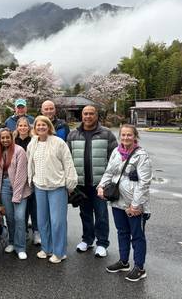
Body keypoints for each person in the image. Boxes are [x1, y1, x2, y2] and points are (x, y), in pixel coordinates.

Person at [97, 124, 152, 282]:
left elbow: (144, 183)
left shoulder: (141, 155)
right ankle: (123, 261)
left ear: (135, 137)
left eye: (129, 135)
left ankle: (140, 267)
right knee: (122, 232)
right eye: (123, 135)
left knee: (137, 236)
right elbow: (109, 172)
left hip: (135, 204)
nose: (126, 138)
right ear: (120, 136)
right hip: (117, 201)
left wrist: (135, 205)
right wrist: (101, 186)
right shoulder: (116, 152)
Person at [67, 105, 118, 258]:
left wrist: (109, 181)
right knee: (85, 213)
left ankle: (102, 243)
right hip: (81, 183)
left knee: (101, 214)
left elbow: (114, 159)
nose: (88, 116)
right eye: (85, 114)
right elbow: (68, 159)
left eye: (91, 114)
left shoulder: (107, 134)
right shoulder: (73, 135)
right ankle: (87, 240)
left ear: (96, 116)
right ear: (81, 116)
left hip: (99, 184)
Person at [27, 115, 77, 263]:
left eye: (44, 125)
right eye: (38, 125)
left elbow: (68, 163)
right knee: (42, 220)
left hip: (57, 186)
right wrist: (31, 181)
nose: (41, 127)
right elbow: (30, 163)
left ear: (49, 127)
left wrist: (71, 184)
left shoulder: (58, 142)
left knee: (57, 221)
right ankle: (46, 248)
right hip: (39, 186)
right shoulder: (33, 143)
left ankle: (59, 252)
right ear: (34, 128)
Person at [0, 128, 31, 260]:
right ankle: (12, 242)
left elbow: (21, 175)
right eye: (2, 138)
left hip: (19, 188)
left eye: (7, 137)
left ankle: (20, 247)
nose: (5, 140)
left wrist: (17, 195)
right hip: (4, 187)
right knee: (9, 217)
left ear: (12, 138)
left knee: (20, 218)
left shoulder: (19, 151)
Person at [13, 116, 40, 245]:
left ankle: (36, 231)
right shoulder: (13, 140)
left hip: (32, 177)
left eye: (25, 126)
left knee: (34, 206)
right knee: (21, 207)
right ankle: (22, 231)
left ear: (29, 127)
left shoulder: (34, 140)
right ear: (17, 127)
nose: (23, 128)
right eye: (20, 126)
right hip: (17, 178)